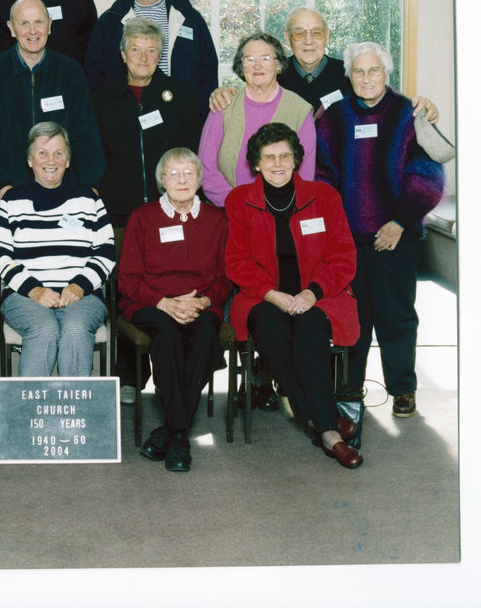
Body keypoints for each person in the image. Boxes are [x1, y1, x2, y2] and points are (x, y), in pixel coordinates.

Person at [315, 42, 445, 418]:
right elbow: (322, 176)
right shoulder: (333, 116)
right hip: (347, 238)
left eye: (374, 71)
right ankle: (351, 385)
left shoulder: (409, 113)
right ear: (349, 75)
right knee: (353, 313)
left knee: (397, 313)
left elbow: (428, 177)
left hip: (397, 235)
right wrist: (334, 229)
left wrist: (400, 221)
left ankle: (402, 389)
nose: (366, 78)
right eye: (358, 71)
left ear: (386, 73)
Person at [225, 123, 363, 469]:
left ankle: (322, 425)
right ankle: (327, 425)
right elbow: (236, 262)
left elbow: (343, 257)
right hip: (262, 295)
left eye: (284, 155)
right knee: (271, 332)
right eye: (268, 156)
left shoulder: (325, 196)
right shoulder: (239, 200)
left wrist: (312, 293)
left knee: (309, 333)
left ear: (296, 159)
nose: (277, 163)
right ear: (256, 163)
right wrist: (272, 294)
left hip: (318, 294)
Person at [118, 148, 232, 472]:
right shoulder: (142, 217)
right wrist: (164, 303)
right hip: (150, 302)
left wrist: (204, 301)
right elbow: (127, 279)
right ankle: (180, 434)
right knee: (166, 335)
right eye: (173, 173)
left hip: (200, 303)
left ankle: (170, 430)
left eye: (189, 173)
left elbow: (226, 278)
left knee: (204, 335)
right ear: (161, 180)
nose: (182, 180)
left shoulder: (217, 219)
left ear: (199, 179)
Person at [0, 122, 115, 378]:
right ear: (29, 159)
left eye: (59, 153)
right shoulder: (12, 201)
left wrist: (78, 286)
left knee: (74, 328)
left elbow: (105, 253)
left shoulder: (90, 200)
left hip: (83, 295)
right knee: (45, 329)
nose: (51, 160)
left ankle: (75, 414)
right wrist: (35, 290)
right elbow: (2, 257)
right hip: (24, 296)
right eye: (42, 153)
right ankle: (32, 416)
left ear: (68, 160)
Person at [0, 0, 105, 226]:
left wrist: (89, 186)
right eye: (24, 23)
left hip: (66, 194)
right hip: (8, 194)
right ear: (11, 29)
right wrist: (1, 186)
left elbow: (86, 133)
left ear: (50, 25)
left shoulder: (70, 72)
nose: (32, 31)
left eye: (38, 22)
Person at [208, 6, 439, 126]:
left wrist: (415, 106)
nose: (309, 41)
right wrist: (224, 94)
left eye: (316, 33)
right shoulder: (274, 73)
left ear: (326, 36)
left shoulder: (348, 72)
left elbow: (380, 100)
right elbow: (250, 97)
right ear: (287, 38)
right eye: (300, 34)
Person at [91, 18, 201, 229]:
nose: (143, 58)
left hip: (171, 208)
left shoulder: (181, 93)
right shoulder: (102, 99)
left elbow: (192, 150)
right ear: (123, 55)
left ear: (159, 56)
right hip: (119, 213)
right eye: (135, 49)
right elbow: (96, 156)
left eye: (150, 50)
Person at [85, 0, 218, 117]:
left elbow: (207, 69)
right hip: (125, 115)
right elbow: (94, 74)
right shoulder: (111, 21)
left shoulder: (189, 17)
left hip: (178, 112)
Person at [199, 30, 315, 208]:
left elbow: (305, 175)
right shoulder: (223, 105)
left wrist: (273, 210)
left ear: (279, 65)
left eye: (266, 58)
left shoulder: (300, 110)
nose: (257, 66)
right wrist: (238, 206)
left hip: (281, 212)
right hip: (228, 210)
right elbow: (206, 169)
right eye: (250, 59)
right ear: (242, 67)